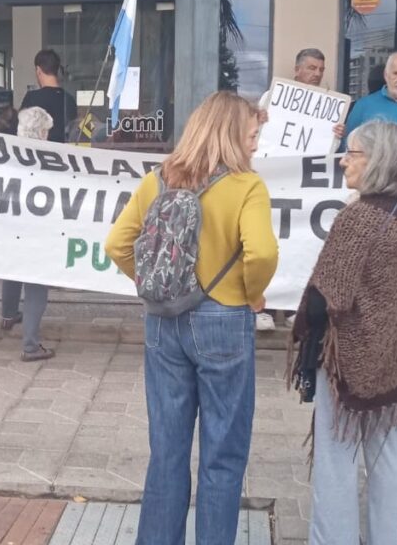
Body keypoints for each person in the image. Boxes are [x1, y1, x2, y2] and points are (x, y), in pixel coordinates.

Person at [106, 92, 279, 544]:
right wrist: (252, 294)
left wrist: (154, 284)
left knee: (167, 451)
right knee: (222, 455)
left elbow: (116, 246)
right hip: (223, 319)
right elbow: (262, 251)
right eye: (252, 135)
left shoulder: (159, 179)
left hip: (163, 321)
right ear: (231, 136)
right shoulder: (247, 186)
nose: (256, 146)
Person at [288, 120, 397, 545]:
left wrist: (303, 335)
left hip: (349, 362)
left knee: (335, 466)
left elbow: (323, 298)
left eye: (351, 153)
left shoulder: (361, 217)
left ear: (378, 160)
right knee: (391, 467)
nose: (343, 160)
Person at [256, 48, 337, 332]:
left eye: (320, 70)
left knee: (299, 245)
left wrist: (336, 137)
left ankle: (292, 306)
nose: (316, 74)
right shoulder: (271, 99)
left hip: (304, 187)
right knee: (267, 243)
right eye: (311, 68)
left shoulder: (329, 107)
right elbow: (257, 136)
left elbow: (328, 155)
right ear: (297, 69)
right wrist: (260, 120)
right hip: (272, 183)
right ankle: (262, 306)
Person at [0, 106, 56, 362]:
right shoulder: (48, 160)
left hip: (11, 226)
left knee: (11, 270)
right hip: (35, 230)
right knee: (36, 284)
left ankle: (8, 314)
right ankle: (31, 345)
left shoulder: (7, 155)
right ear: (42, 132)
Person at [19, 49, 77, 144]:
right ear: (57, 70)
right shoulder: (69, 100)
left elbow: (22, 130)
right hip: (64, 154)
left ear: (38, 70)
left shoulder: (32, 98)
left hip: (37, 153)